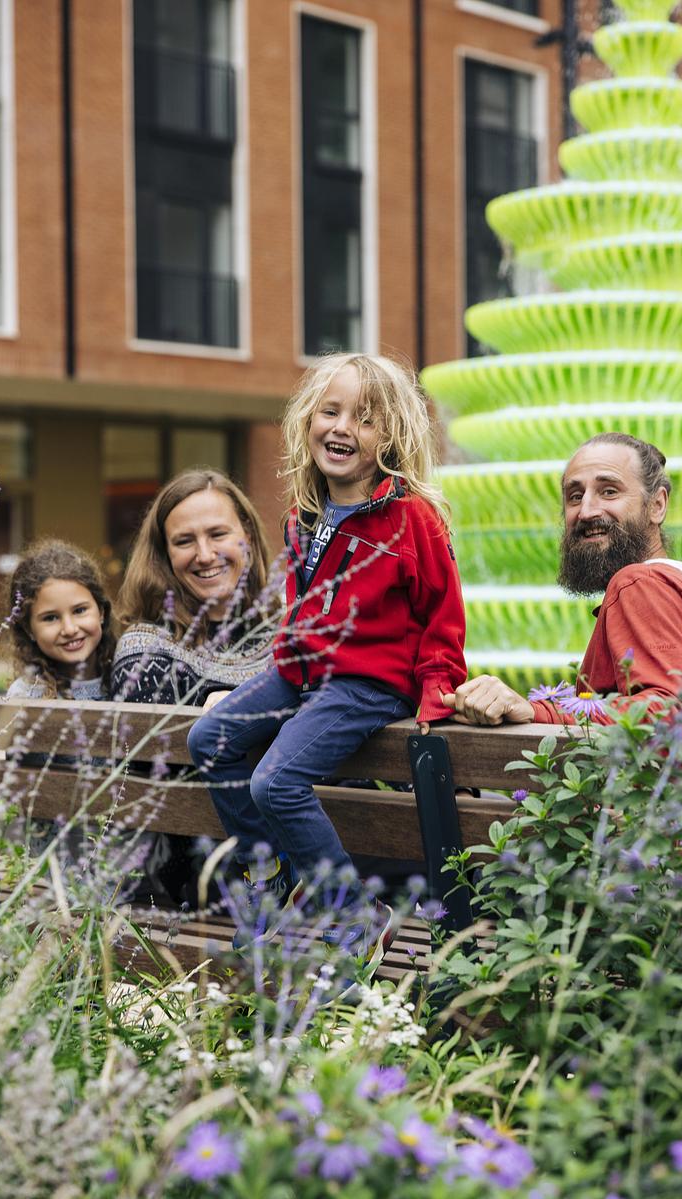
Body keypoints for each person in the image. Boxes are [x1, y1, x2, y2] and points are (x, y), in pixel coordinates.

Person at [187, 352, 467, 960]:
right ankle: (270, 876)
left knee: (276, 781)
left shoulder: (410, 519)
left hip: (366, 685)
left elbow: (442, 613)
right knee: (208, 737)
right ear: (306, 421)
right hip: (298, 674)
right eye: (330, 411)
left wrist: (437, 690)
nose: (342, 428)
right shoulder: (304, 515)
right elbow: (301, 612)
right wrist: (257, 689)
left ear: (390, 436)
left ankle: (356, 913)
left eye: (364, 419)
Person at [443, 432, 682, 805]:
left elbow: (670, 714)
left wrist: (535, 710)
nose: (587, 511)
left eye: (608, 491)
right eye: (575, 496)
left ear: (657, 505)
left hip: (666, 854)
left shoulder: (641, 581)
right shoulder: (676, 589)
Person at [110, 468, 278, 905]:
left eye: (218, 534)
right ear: (164, 556)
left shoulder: (296, 632)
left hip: (307, 876)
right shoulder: (145, 650)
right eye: (185, 541)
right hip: (202, 892)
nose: (204, 554)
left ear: (249, 538)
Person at [5, 539, 116, 701]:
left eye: (79, 610)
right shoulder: (26, 695)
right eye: (50, 618)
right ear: (29, 629)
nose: (70, 629)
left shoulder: (127, 679)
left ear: (101, 612)